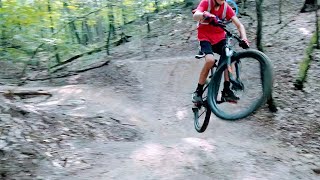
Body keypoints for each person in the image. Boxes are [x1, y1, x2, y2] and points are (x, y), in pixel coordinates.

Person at [192, 0, 249, 104]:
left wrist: (244, 38)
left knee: (229, 57)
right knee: (210, 60)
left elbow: (240, 25)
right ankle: (198, 91)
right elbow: (195, 16)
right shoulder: (206, 2)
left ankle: (226, 91)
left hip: (219, 39)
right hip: (205, 37)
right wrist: (206, 14)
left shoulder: (226, 8)